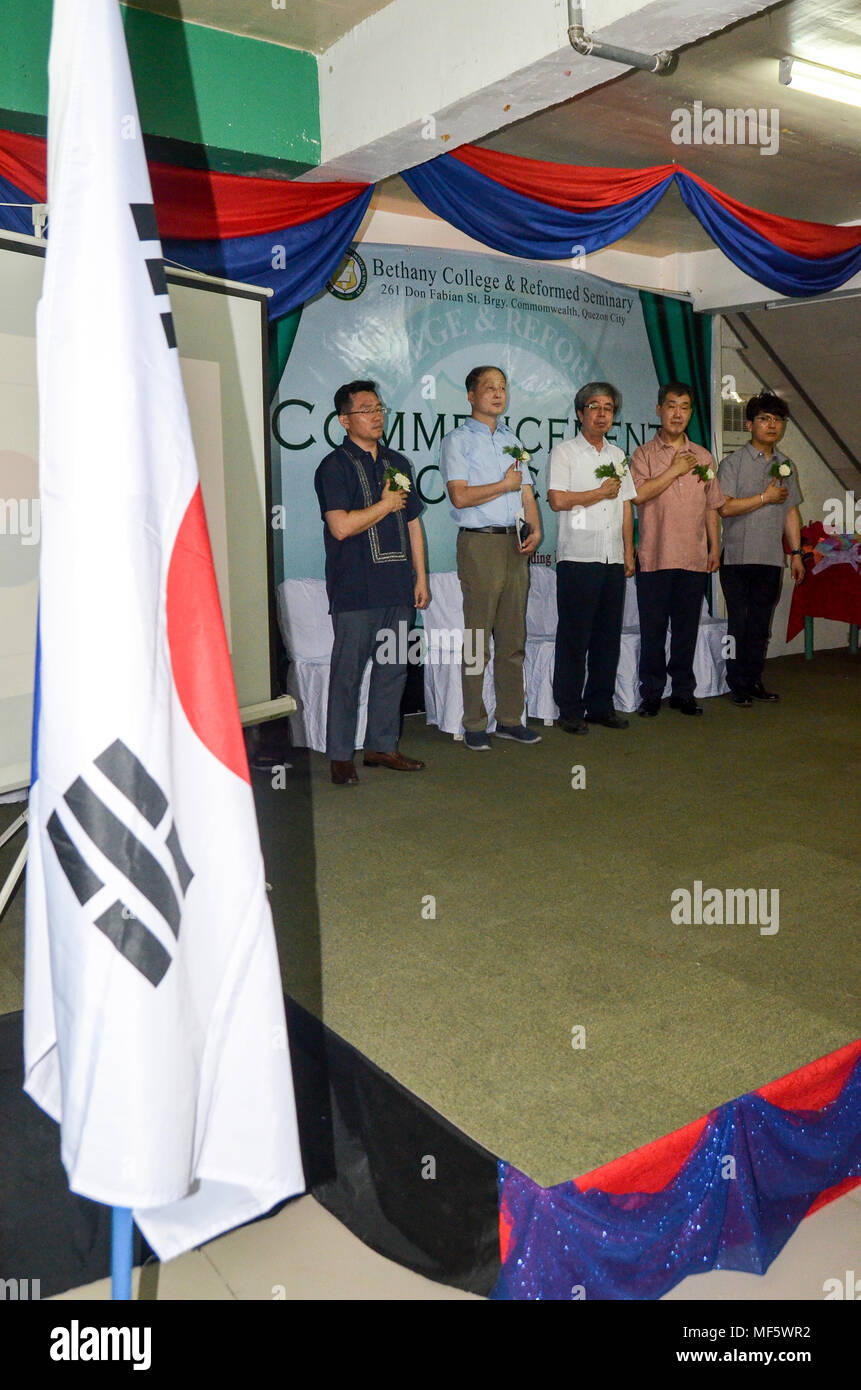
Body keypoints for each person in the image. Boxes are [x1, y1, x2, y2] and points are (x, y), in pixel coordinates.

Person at [314, 380, 428, 784]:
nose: (376, 415)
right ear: (345, 420)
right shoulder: (334, 466)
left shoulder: (399, 463)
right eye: (366, 409)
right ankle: (341, 755)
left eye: (379, 407)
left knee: (393, 669)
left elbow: (413, 522)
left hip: (398, 586)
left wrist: (422, 578)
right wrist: (384, 505)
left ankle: (381, 746)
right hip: (355, 589)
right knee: (347, 673)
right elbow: (341, 527)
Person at [439, 365, 542, 750]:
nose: (497, 394)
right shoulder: (458, 441)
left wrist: (536, 528)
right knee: (478, 638)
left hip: (515, 544)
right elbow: (460, 496)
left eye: (502, 388)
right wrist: (504, 485)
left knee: (513, 637)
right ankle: (474, 721)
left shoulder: (513, 440)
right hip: (479, 544)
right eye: (488, 388)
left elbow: (527, 492)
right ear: (471, 395)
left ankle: (511, 718)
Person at [630, 381, 724, 716]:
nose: (677, 413)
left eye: (684, 407)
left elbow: (712, 506)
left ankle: (683, 692)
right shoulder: (643, 455)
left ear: (691, 413)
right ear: (659, 409)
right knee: (653, 630)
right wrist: (674, 470)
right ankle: (652, 693)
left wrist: (715, 547)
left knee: (686, 630)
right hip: (654, 556)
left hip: (694, 557)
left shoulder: (703, 456)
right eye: (671, 406)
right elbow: (638, 495)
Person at [547, 381, 635, 733]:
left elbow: (626, 505)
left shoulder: (617, 455)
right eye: (595, 407)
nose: (602, 414)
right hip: (578, 558)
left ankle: (601, 705)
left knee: (607, 638)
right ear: (581, 412)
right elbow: (557, 500)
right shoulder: (565, 452)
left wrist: (628, 551)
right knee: (574, 637)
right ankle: (569, 709)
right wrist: (599, 493)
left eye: (609, 408)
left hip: (612, 558)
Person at [717, 394, 805, 706]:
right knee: (738, 624)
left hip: (770, 559)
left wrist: (796, 553)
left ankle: (753, 680)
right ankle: (735, 683)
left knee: (760, 625)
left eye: (777, 420)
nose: (772, 425)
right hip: (738, 559)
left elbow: (791, 511)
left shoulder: (785, 466)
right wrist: (764, 498)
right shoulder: (731, 464)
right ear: (749, 424)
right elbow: (724, 507)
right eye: (765, 419)